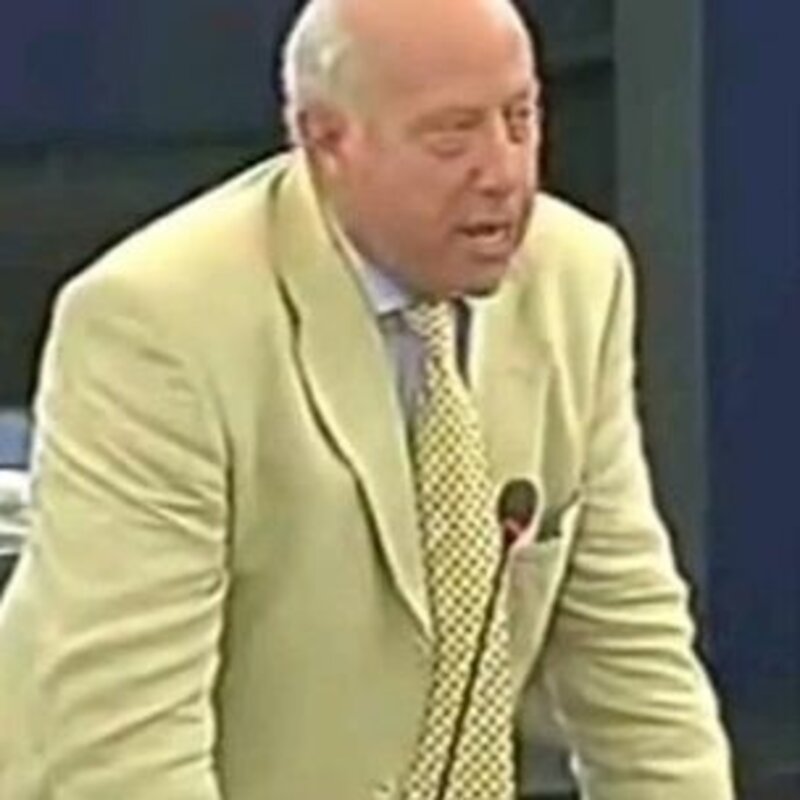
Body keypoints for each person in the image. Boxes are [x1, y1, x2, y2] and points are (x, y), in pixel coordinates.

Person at [0, 0, 734, 797]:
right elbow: (122, 751)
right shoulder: (157, 327)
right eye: (452, 135)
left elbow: (633, 658)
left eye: (520, 118)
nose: (503, 171)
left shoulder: (577, 278)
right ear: (326, 141)